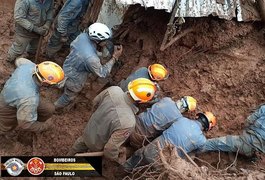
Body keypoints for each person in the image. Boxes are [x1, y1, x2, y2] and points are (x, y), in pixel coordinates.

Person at [67, 78, 157, 164]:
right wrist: (115, 158)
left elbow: (95, 102)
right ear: (141, 102)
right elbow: (109, 149)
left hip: (88, 130)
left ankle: (66, 160)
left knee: (79, 145)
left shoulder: (114, 90)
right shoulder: (129, 122)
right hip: (98, 145)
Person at [53, 22, 123, 109]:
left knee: (62, 80)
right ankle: (55, 108)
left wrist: (97, 55)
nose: (106, 42)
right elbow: (103, 73)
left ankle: (61, 87)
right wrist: (115, 57)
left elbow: (77, 49)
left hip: (68, 65)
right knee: (69, 96)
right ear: (98, 40)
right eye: (105, 40)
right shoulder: (91, 59)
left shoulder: (82, 37)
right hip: (76, 79)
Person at [123, 111, 217, 171]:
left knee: (135, 159)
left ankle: (122, 170)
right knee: (190, 155)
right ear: (208, 128)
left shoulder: (182, 120)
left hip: (150, 149)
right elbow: (198, 151)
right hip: (161, 163)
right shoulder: (202, 141)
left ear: (198, 117)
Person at [0, 58, 64, 134]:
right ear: (45, 83)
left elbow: (19, 60)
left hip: (17, 93)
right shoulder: (30, 99)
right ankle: (5, 133)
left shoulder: (29, 65)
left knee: (48, 109)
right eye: (53, 84)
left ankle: (34, 119)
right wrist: (44, 126)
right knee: (5, 125)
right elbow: (25, 124)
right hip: (7, 104)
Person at [130, 96, 197, 148]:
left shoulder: (167, 99)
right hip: (141, 136)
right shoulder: (178, 118)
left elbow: (150, 103)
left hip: (133, 122)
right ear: (186, 110)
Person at [200, 105, 265, 157]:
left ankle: (193, 150)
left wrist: (246, 130)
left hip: (245, 143)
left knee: (213, 143)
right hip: (256, 152)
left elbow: (248, 121)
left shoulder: (263, 109)